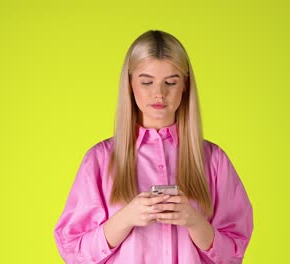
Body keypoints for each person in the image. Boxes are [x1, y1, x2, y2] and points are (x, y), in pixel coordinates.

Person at [54, 30, 253, 264]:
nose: (159, 93)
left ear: (185, 86)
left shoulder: (213, 160)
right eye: (147, 81)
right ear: (130, 84)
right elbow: (72, 252)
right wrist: (126, 218)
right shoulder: (100, 160)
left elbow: (234, 252)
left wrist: (193, 220)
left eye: (171, 82)